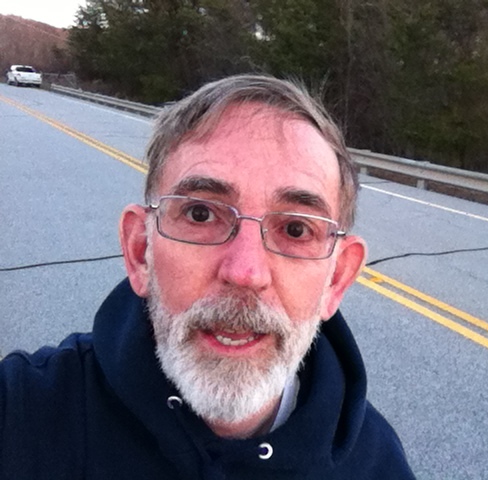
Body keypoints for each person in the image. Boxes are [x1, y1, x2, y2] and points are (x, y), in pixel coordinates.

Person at [0, 74, 415, 479]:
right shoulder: (23, 415)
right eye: (201, 214)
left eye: (295, 229)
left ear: (337, 279)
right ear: (140, 251)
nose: (245, 273)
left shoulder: (378, 465)